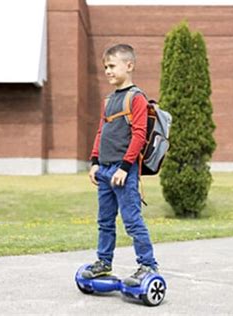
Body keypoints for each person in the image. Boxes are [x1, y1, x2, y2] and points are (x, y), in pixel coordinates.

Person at [83, 44, 158, 286]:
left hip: (123, 172)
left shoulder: (136, 98)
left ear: (129, 65)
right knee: (105, 221)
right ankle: (104, 263)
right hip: (104, 170)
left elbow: (139, 135)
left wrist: (125, 168)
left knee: (132, 220)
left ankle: (148, 265)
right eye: (105, 67)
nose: (107, 71)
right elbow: (100, 132)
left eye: (112, 66)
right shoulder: (108, 100)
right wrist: (94, 161)